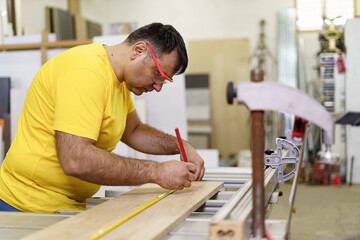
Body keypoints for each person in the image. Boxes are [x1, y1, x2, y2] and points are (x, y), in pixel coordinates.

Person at [0, 23, 205, 213]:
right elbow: (75, 160)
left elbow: (133, 131)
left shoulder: (119, 80)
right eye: (158, 75)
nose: (158, 87)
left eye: (164, 81)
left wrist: (181, 146)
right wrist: (157, 172)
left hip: (64, 205)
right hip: (26, 204)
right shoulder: (86, 72)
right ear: (138, 50)